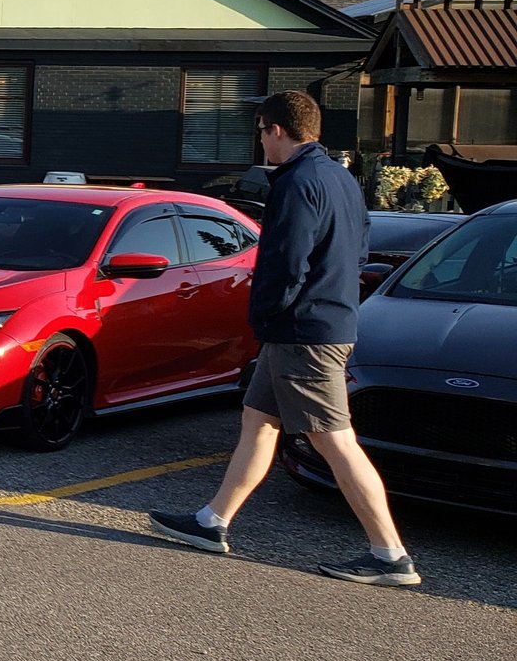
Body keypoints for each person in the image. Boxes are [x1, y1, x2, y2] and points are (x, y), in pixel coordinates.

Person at [151, 90, 418, 586]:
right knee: (260, 423)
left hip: (303, 332)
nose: (261, 142)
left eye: (261, 132)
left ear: (276, 130)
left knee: (335, 441)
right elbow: (360, 249)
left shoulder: (296, 183)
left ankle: (390, 556)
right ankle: (213, 522)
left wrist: (268, 312)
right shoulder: (340, 178)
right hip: (321, 323)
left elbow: (284, 262)